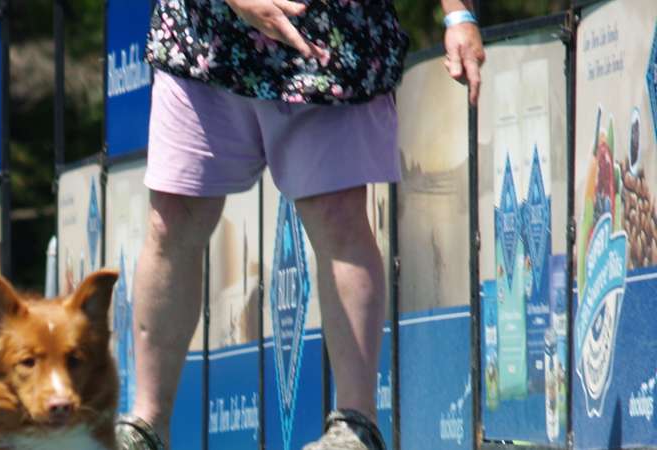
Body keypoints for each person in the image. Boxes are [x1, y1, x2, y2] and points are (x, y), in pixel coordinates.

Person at [115, 0, 484, 449]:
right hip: (204, 41)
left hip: (328, 43)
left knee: (339, 218)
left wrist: (458, 15)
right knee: (172, 221)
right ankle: (146, 426)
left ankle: (355, 426)